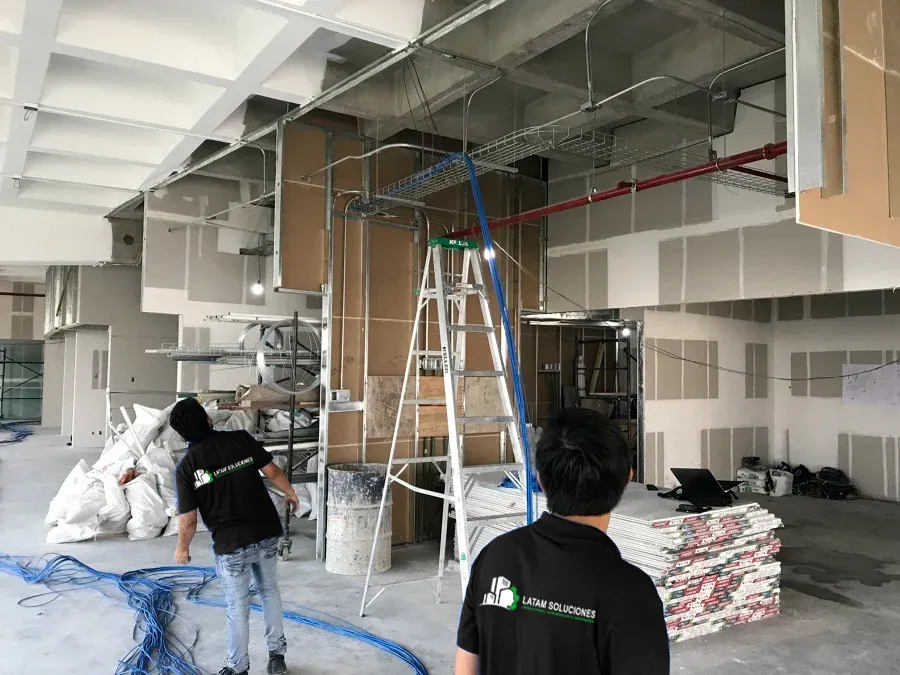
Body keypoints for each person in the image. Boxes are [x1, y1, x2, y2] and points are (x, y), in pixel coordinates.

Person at [455, 408, 670, 675]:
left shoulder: (494, 557)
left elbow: (467, 662)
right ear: (628, 478)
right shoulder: (632, 594)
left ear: (541, 481)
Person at [170, 397, 300, 675]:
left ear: (182, 435)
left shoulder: (186, 468)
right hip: (265, 531)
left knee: (238, 607)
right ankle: (277, 657)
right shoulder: (240, 439)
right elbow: (273, 471)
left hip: (231, 545)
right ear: (208, 419)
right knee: (269, 592)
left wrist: (182, 547)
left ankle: (238, 667)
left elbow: (188, 520)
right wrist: (290, 493)